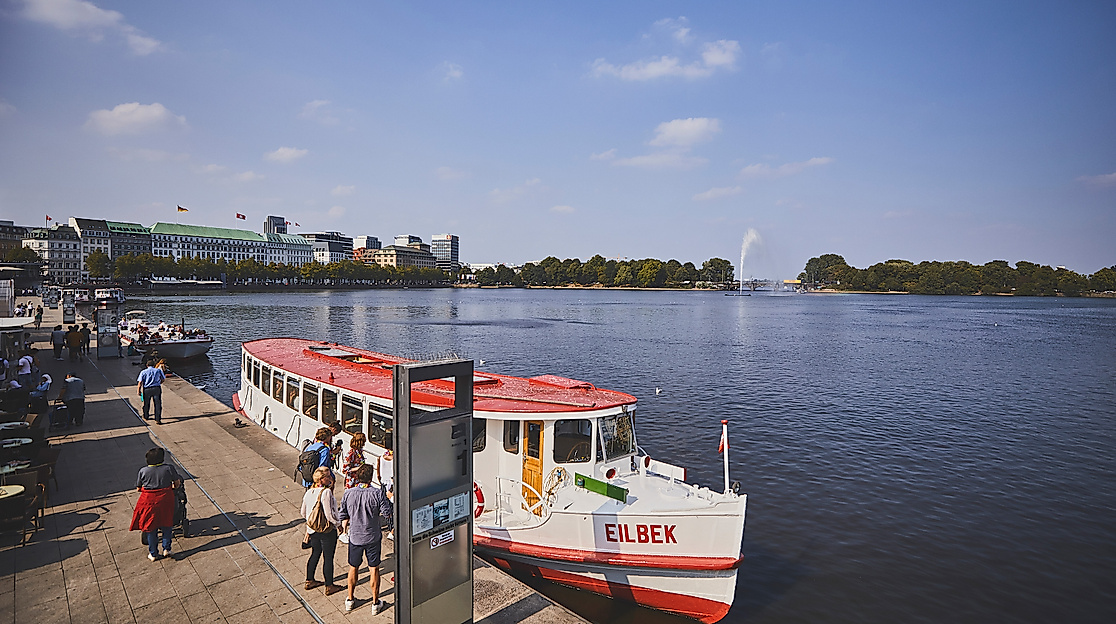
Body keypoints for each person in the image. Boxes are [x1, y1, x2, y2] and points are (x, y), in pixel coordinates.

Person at [339, 464, 393, 614]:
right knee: (374, 568)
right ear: (371, 477)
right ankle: (375, 602)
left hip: (355, 537)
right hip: (372, 537)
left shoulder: (348, 493)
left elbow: (342, 515)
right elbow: (387, 513)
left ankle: (350, 599)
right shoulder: (377, 493)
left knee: (353, 567)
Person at [129, 447, 183, 561]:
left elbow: (139, 488)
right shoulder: (169, 468)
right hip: (166, 499)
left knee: (150, 526)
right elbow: (177, 483)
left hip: (148, 501)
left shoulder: (143, 471)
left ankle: (153, 553)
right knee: (167, 523)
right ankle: (167, 549)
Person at [301, 466, 344, 595]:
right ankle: (329, 585)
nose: (331, 478)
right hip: (326, 531)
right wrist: (338, 525)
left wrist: (312, 523)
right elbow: (329, 514)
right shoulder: (326, 492)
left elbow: (303, 512)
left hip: (313, 530)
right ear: (322, 479)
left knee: (315, 554)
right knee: (328, 557)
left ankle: (309, 580)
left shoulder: (309, 492)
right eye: (328, 476)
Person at [137, 359, 166, 424]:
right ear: (154, 365)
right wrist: (159, 383)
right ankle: (158, 419)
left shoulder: (143, 372)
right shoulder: (158, 370)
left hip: (147, 389)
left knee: (146, 403)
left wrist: (138, 390)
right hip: (156, 388)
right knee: (157, 404)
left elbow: (140, 382)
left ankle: (146, 416)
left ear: (147, 365)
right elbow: (163, 379)